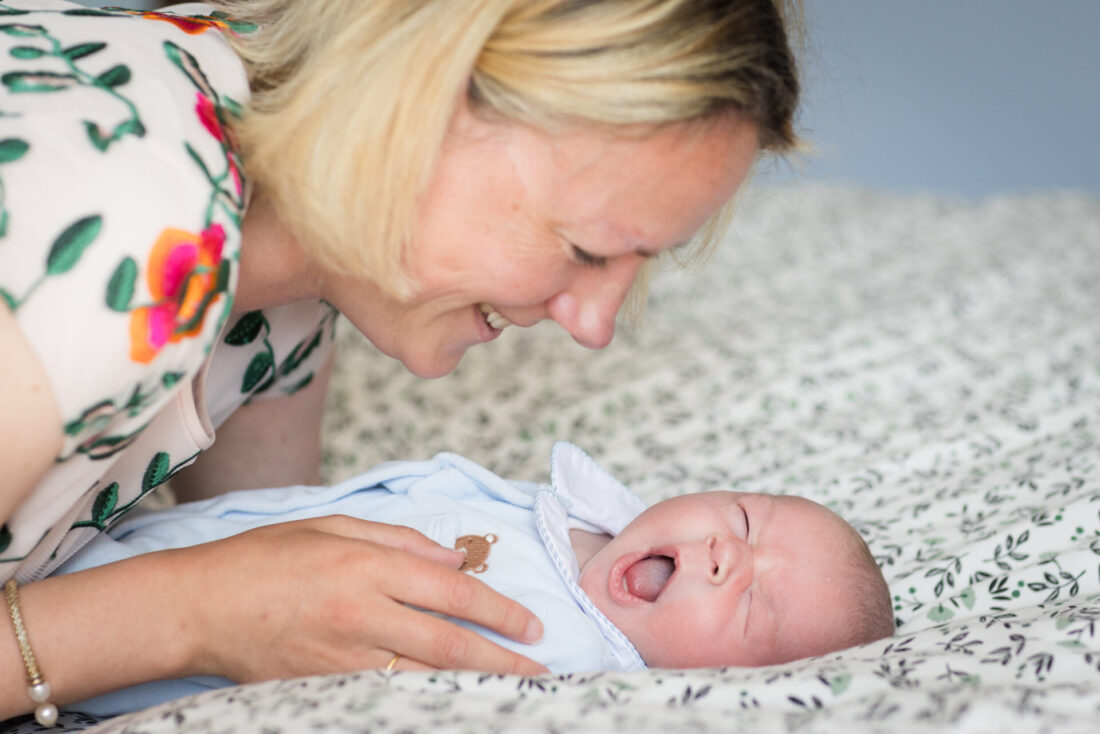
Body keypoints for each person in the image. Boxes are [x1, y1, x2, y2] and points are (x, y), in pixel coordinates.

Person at [0, 0, 801, 724]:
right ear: (418, 106)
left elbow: (287, 587)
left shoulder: (298, 283)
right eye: (587, 249)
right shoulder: (111, 253)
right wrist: (192, 613)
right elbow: (230, 603)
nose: (594, 326)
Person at [56, 442, 893, 717]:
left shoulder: (576, 675)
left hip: (88, 663)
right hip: (88, 532)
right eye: (746, 519)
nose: (727, 555)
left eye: (754, 603)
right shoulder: (568, 510)